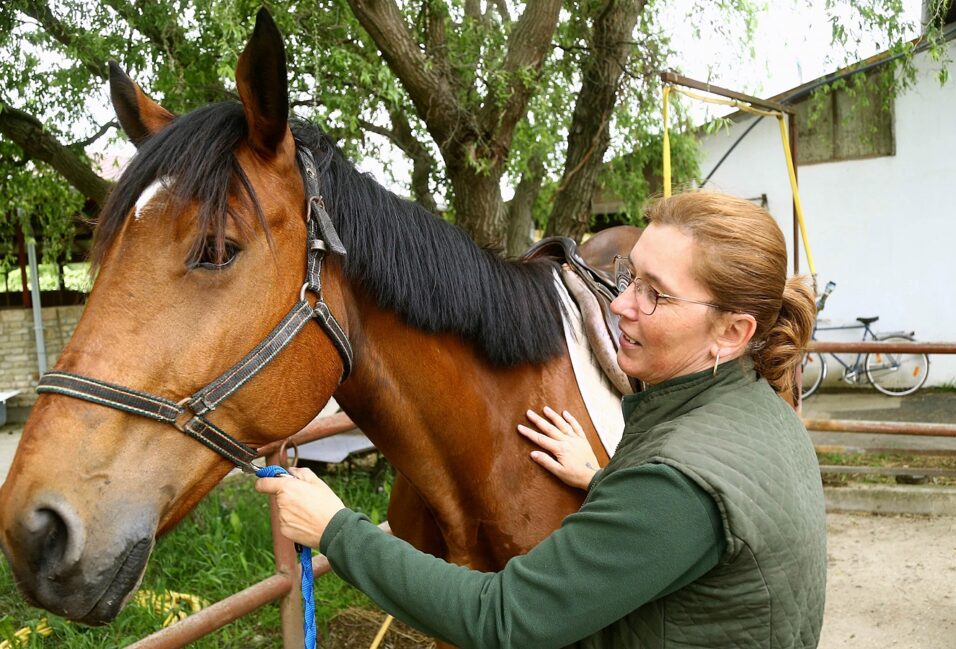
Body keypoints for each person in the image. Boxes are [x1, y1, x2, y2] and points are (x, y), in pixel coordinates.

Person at [256, 191, 827, 649]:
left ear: (731, 333)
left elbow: (502, 618)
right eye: (631, 276)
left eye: (656, 295)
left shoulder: (677, 484)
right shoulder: (761, 411)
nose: (621, 303)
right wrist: (607, 483)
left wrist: (336, 529)